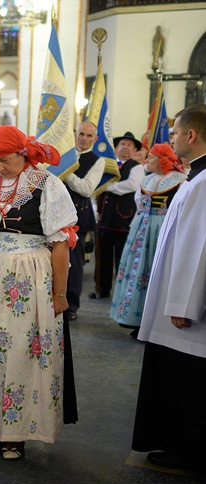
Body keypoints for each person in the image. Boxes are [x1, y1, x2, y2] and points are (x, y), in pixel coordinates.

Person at [0, 125, 78, 461]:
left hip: (27, 278)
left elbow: (60, 244)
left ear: (22, 154)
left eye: (4, 159)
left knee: (21, 349)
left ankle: (17, 432)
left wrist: (60, 294)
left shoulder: (46, 184)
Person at [132, 104, 206, 470]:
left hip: (185, 310)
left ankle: (187, 451)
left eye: (174, 132)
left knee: (187, 381)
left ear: (191, 135)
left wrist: (182, 304)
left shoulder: (203, 183)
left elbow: (198, 248)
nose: (171, 138)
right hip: (178, 300)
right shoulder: (196, 178)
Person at [110, 143, 186, 337]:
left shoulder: (179, 181)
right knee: (139, 270)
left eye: (151, 157)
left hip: (163, 229)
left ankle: (156, 322)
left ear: (162, 160)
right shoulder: (147, 180)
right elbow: (139, 203)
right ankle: (137, 319)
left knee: (156, 270)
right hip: (141, 230)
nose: (147, 160)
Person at [91, 131, 144, 299]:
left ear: (135, 150)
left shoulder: (136, 167)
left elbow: (131, 185)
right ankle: (102, 289)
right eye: (122, 145)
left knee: (122, 258)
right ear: (115, 148)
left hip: (124, 220)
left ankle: (122, 292)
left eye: (129, 145)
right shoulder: (108, 165)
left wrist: (107, 186)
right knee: (102, 257)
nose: (125, 148)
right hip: (105, 218)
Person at [62, 121, 106, 320]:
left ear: (95, 139)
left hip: (78, 217)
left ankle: (71, 305)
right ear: (75, 134)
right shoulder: (65, 154)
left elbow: (87, 189)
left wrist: (65, 172)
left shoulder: (98, 161)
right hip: (55, 212)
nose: (84, 139)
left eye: (89, 136)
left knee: (74, 262)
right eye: (81, 134)